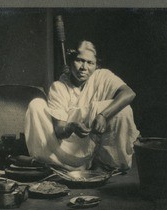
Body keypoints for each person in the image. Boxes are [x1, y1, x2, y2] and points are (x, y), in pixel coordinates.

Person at [25, 40, 140, 173]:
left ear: (96, 65)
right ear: (70, 61)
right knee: (36, 105)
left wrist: (102, 115)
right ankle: (58, 165)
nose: (84, 67)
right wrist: (72, 126)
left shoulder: (102, 76)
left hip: (92, 144)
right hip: (65, 146)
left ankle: (107, 164)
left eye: (90, 62)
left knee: (123, 108)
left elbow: (128, 93)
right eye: (79, 60)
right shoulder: (59, 87)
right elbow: (59, 130)